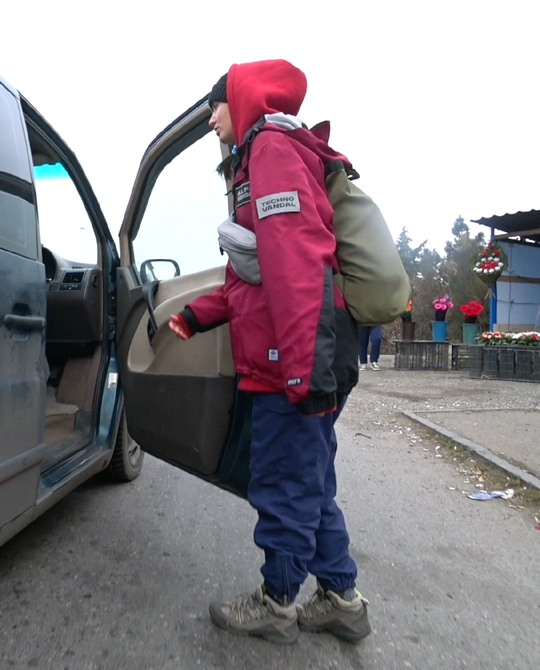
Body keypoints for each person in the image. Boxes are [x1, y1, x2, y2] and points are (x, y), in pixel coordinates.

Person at [167, 60, 371, 645]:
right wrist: (193, 315)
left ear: (240, 98)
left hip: (293, 360)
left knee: (284, 482)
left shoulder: (272, 149)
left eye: (216, 105)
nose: (210, 120)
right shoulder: (263, 157)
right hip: (297, 354)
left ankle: (277, 604)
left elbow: (298, 260)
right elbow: (251, 277)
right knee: (311, 482)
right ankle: (341, 598)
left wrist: (303, 369)